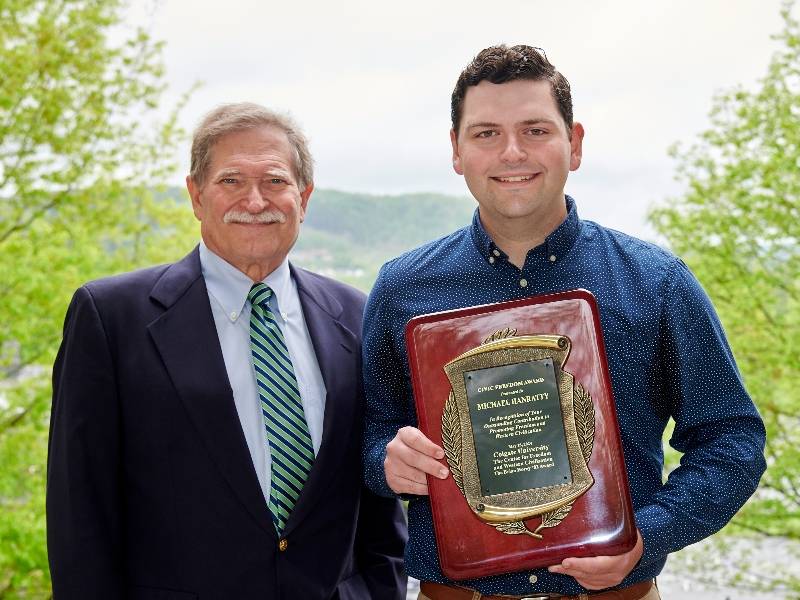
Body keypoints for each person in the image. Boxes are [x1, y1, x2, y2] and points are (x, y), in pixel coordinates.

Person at [362, 45, 766, 600]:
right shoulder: (400, 288)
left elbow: (731, 440)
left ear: (573, 144)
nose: (511, 152)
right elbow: (369, 433)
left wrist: (648, 534)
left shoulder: (657, 281)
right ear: (456, 151)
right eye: (485, 134)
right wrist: (384, 460)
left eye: (535, 130)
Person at [47, 102, 407, 600]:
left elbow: (376, 502)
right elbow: (79, 513)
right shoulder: (111, 319)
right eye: (231, 180)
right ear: (196, 196)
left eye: (276, 181)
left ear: (304, 198)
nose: (255, 200)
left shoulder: (353, 315)